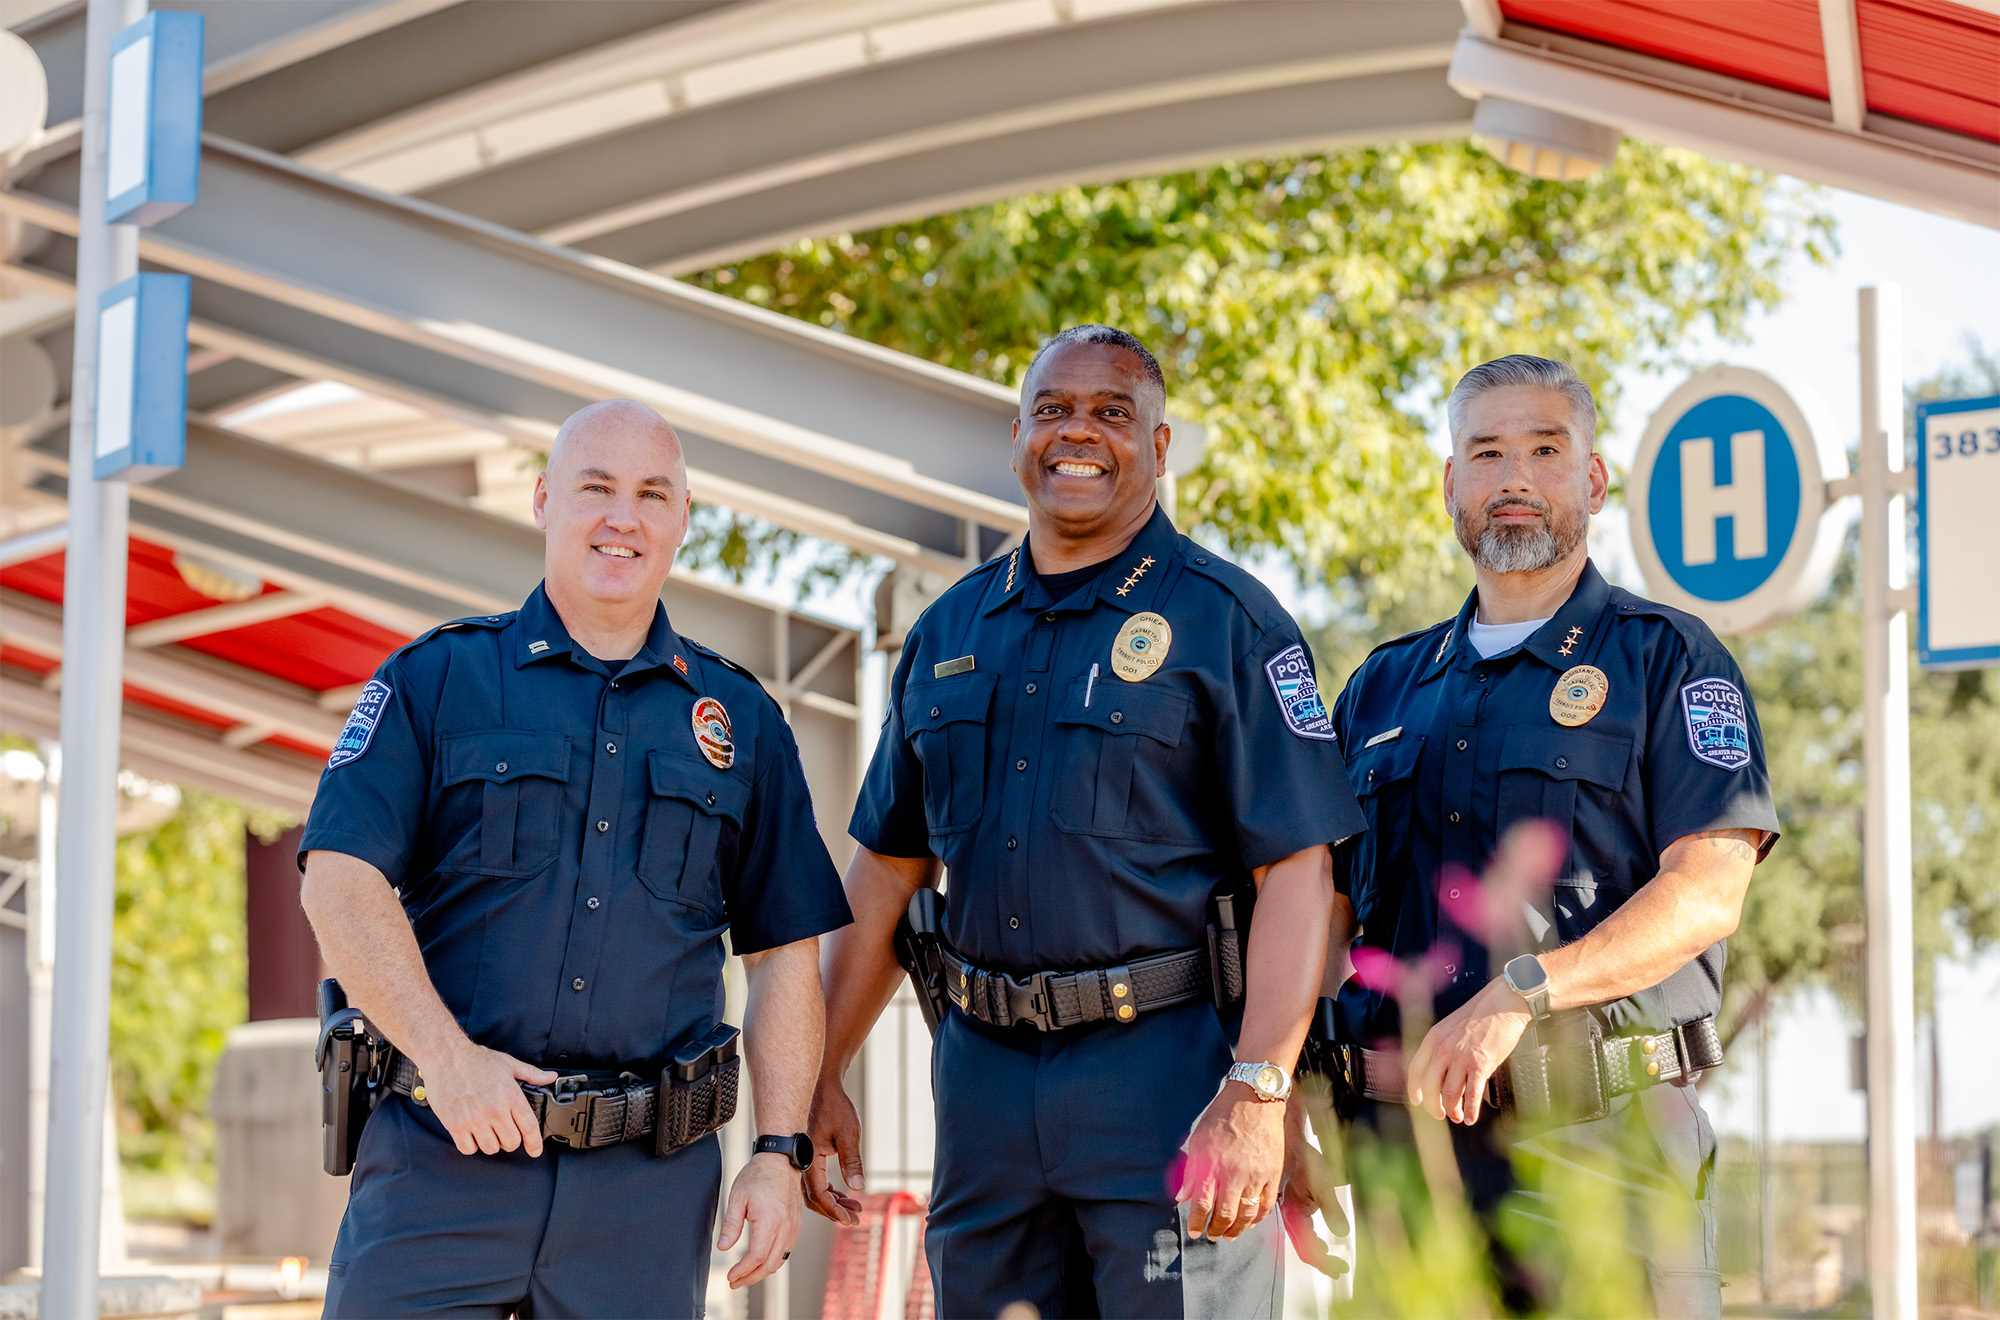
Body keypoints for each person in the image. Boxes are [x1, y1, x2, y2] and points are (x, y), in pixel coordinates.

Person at [806, 325, 1366, 1318]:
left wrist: (1258, 1089)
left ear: (1155, 448)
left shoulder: (1227, 621)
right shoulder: (948, 631)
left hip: (1166, 1078)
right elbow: (887, 872)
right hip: (980, 1088)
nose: (1079, 433)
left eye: (1112, 413)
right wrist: (817, 1074)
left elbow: (1297, 875)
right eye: (1054, 410)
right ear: (1018, 434)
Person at [299, 399, 852, 1318]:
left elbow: (783, 953)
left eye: (650, 494)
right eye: (595, 488)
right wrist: (450, 1057)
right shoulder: (436, 679)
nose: (621, 518)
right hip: (443, 1162)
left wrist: (777, 1150)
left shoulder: (742, 720)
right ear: (544, 500)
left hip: (645, 1195)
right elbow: (338, 880)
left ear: (682, 520)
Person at [1289, 354, 1779, 1317]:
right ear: (1451, 485)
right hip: (1406, 1170)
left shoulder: (1667, 659)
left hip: (1602, 1156)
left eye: (1545, 450)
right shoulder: (1381, 690)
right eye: (1488, 452)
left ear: (1592, 481)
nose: (1515, 478)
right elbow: (1319, 920)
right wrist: (1296, 1104)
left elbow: (1709, 889)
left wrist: (1524, 992)